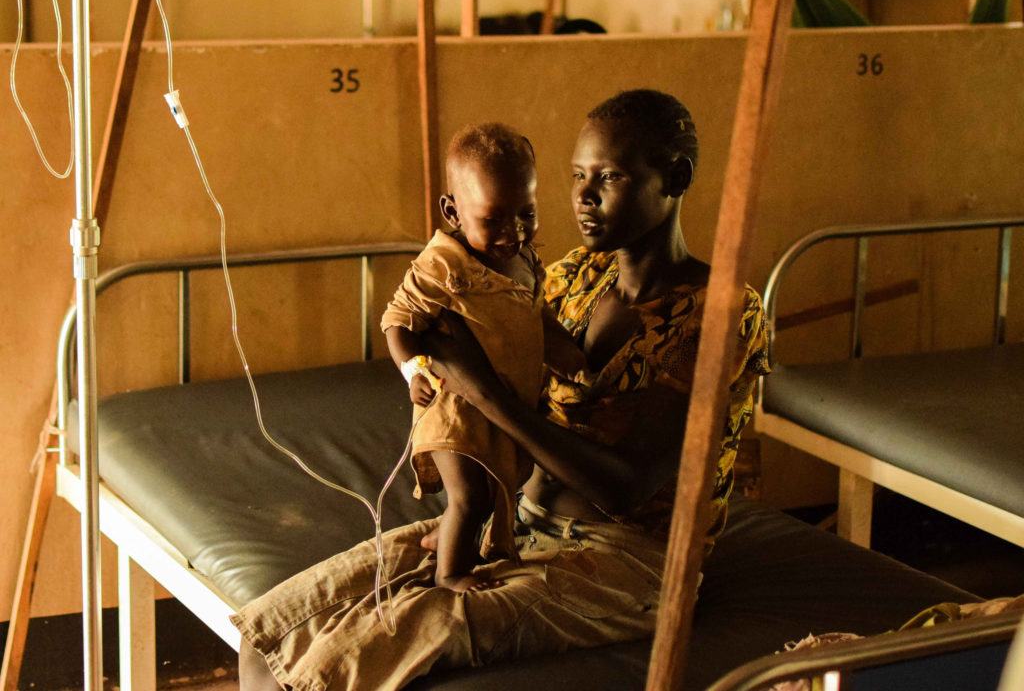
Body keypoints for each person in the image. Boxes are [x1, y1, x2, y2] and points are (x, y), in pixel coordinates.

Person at [235, 89, 770, 691]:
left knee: (342, 667)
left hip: (626, 563)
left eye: (610, 176)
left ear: (676, 177)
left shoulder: (719, 314)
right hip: (514, 522)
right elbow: (437, 334)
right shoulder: (570, 279)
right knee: (272, 634)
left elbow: (624, 488)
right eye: (577, 176)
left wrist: (487, 394)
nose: (584, 196)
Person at [381, 122, 583, 592]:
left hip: (506, 403)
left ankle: (446, 536)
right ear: (453, 209)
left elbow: (537, 318)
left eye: (526, 213)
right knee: (470, 496)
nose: (513, 231)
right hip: (453, 406)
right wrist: (412, 369)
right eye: (493, 219)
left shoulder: (527, 259)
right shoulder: (443, 264)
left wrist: (570, 355)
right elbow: (397, 320)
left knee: (504, 483)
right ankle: (451, 573)